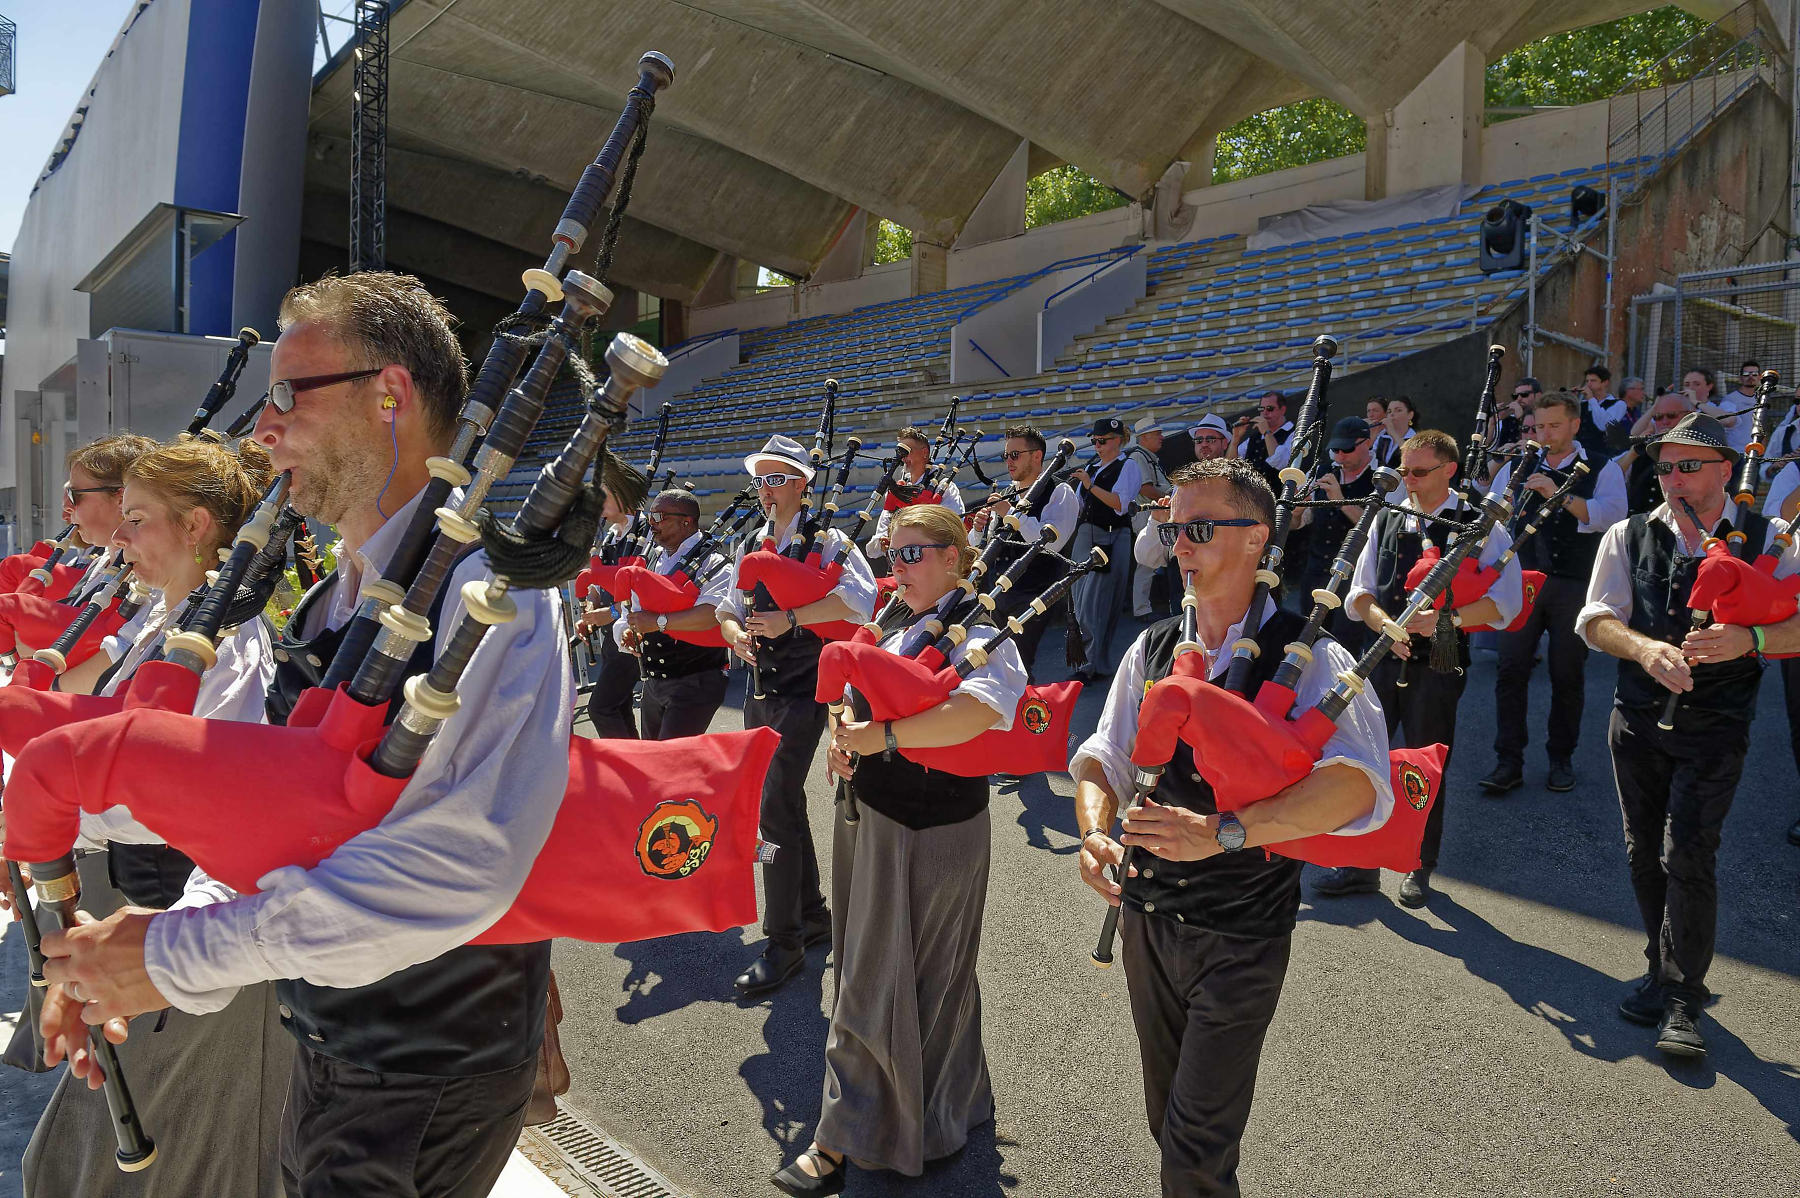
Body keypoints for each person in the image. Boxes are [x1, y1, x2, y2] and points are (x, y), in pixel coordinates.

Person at [39, 271, 574, 1198]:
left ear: (389, 395)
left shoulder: (494, 592)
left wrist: (173, 959)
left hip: (425, 1068)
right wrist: (152, 946)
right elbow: (274, 825)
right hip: (328, 1037)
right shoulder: (338, 595)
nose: (263, 428)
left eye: (289, 393)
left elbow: (462, 867)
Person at [1072, 457, 1392, 1198]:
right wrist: (1095, 833)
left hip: (1242, 931)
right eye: (1174, 527)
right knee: (1170, 1124)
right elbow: (1103, 758)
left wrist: (1225, 831)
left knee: (1193, 1146)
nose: (1180, 544)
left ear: (1258, 539)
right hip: (1145, 923)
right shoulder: (1151, 649)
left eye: (1202, 528)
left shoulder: (1311, 654)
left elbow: (1357, 788)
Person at [22, 435, 288, 1198]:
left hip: (175, 913)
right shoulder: (160, 625)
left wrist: (50, 807)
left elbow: (194, 800)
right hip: (124, 905)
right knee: (91, 1149)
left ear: (198, 527)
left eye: (137, 520)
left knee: (182, 1151)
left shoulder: (227, 645)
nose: (121, 539)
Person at [772, 506, 1026, 1195]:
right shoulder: (894, 617)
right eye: (893, 553)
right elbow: (854, 691)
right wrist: (841, 729)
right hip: (871, 813)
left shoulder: (983, 625)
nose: (897, 567)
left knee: (899, 978)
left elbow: (980, 710)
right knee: (876, 967)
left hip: (934, 826)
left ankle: (842, 1137)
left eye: (914, 554)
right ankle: (944, 1111)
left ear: (955, 557)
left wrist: (882, 740)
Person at [1576, 412, 1800, 1057]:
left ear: (1725, 470)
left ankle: (1683, 996)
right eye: (1665, 466)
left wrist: (1748, 639)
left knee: (1689, 856)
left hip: (1718, 725)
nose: (1672, 478)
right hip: (1639, 717)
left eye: (1688, 465)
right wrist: (1645, 649)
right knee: (1644, 852)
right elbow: (1595, 619)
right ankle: (1658, 965)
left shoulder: (1773, 538)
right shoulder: (1628, 533)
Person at [1317, 430, 1523, 906]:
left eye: (1418, 472)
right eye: (1404, 470)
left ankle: (1418, 864)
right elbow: (1361, 594)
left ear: (1449, 469)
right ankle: (1358, 864)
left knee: (1426, 764)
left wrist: (1444, 622)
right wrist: (1386, 624)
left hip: (1444, 650)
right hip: (1382, 651)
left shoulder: (1481, 523)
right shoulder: (1389, 515)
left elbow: (1505, 603)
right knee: (1363, 758)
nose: (1406, 480)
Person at [719, 435, 878, 998]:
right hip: (760, 687)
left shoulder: (829, 541)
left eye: (777, 478)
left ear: (802, 483)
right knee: (779, 800)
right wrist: (736, 633)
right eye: (760, 479)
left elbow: (860, 600)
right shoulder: (750, 541)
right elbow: (726, 609)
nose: (766, 489)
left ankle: (783, 941)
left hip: (806, 686)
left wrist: (792, 617)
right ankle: (810, 914)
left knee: (772, 803)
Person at [1482, 392, 1626, 795]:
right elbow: (1493, 516)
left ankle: (1561, 758)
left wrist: (1558, 495)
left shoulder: (1603, 466)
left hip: (1574, 582)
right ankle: (1507, 760)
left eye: (1554, 426)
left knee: (1567, 673)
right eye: (1539, 426)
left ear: (1574, 425)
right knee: (1510, 670)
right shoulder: (1518, 463)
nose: (1544, 434)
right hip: (1521, 579)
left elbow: (1612, 517)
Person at [615, 489, 732, 739]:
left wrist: (657, 623)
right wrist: (631, 630)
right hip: (654, 681)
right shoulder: (653, 557)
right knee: (656, 761)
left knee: (673, 764)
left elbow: (713, 613)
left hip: (696, 679)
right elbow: (637, 609)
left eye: (659, 516)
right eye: (650, 516)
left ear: (686, 521)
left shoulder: (713, 561)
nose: (651, 523)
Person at [970, 424, 1077, 680]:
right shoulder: (1008, 493)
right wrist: (978, 529)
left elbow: (1051, 544)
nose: (1009, 461)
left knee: (1016, 665)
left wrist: (1011, 513)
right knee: (994, 663)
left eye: (1015, 455)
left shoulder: (1060, 491)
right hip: (996, 592)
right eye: (1006, 455)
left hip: (1034, 594)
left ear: (1037, 456)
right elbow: (988, 543)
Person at [1290, 416, 1385, 653]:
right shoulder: (1323, 471)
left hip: (1354, 575)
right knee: (1307, 640)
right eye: (1336, 449)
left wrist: (1341, 501)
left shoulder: (1382, 478)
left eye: (1347, 449)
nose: (1340, 456)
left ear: (1367, 443)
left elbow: (1382, 528)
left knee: (1346, 644)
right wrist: (1297, 510)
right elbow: (1297, 524)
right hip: (1315, 570)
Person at [1068, 416, 1142, 680]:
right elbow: (1078, 506)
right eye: (1095, 441)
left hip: (1110, 536)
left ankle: (1091, 665)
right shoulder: (1092, 466)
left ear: (1118, 440)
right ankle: (1087, 662)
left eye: (1103, 441)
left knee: (1097, 602)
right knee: (1080, 600)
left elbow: (1120, 504)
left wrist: (1090, 485)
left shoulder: (1128, 465)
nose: (1098, 445)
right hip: (1086, 533)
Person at [580, 486, 641, 739]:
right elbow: (597, 582)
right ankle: (636, 765)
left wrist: (613, 613)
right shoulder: (611, 535)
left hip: (632, 634)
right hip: (610, 638)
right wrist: (592, 606)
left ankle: (628, 768)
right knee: (619, 706)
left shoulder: (644, 532)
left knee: (601, 708)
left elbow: (643, 588)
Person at [869, 425, 965, 559]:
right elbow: (878, 540)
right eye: (900, 451)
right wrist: (883, 542)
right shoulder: (897, 488)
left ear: (925, 453)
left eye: (907, 451)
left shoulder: (944, 487)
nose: (902, 457)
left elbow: (955, 528)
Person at [1614, 392, 1696, 515]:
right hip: (1639, 524)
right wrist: (1633, 453)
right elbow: (1611, 476)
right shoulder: (1643, 448)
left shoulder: (1699, 450)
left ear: (1689, 417)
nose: (1664, 421)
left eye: (1671, 415)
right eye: (1658, 417)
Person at [1130, 415, 1172, 619]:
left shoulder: (1147, 457)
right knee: (1146, 564)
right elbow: (1145, 488)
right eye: (1157, 434)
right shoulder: (1139, 457)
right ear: (1144, 437)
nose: (1161, 437)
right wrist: (1170, 498)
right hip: (1147, 516)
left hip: (1155, 516)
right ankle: (1141, 609)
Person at [1232, 391, 1294, 486]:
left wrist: (1267, 432)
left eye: (1270, 408)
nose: (1264, 412)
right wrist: (1235, 440)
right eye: (1261, 408)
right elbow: (1230, 465)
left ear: (1282, 410)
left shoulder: (1293, 434)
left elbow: (1281, 463)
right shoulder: (1254, 437)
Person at [1714, 361, 1762, 454]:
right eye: (1746, 374)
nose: (1751, 377)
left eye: (1754, 374)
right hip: (1735, 451)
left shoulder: (1761, 400)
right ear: (1740, 378)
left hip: (1754, 452)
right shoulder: (1730, 399)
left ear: (1759, 377)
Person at [1581, 364, 1626, 444]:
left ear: (1605, 382)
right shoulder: (1582, 404)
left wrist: (1591, 399)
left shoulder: (1619, 404)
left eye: (1593, 381)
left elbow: (1603, 426)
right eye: (1587, 381)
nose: (1588, 384)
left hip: (1603, 454)